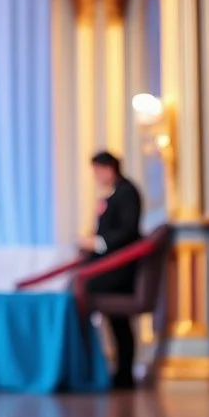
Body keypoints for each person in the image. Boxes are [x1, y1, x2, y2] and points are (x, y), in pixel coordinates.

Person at [78, 151, 143, 389]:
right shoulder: (115, 193)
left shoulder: (127, 192)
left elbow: (128, 232)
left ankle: (120, 373)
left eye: (97, 171)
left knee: (115, 318)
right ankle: (121, 374)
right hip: (112, 266)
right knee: (118, 323)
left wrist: (97, 243)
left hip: (121, 270)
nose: (96, 177)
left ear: (108, 168)